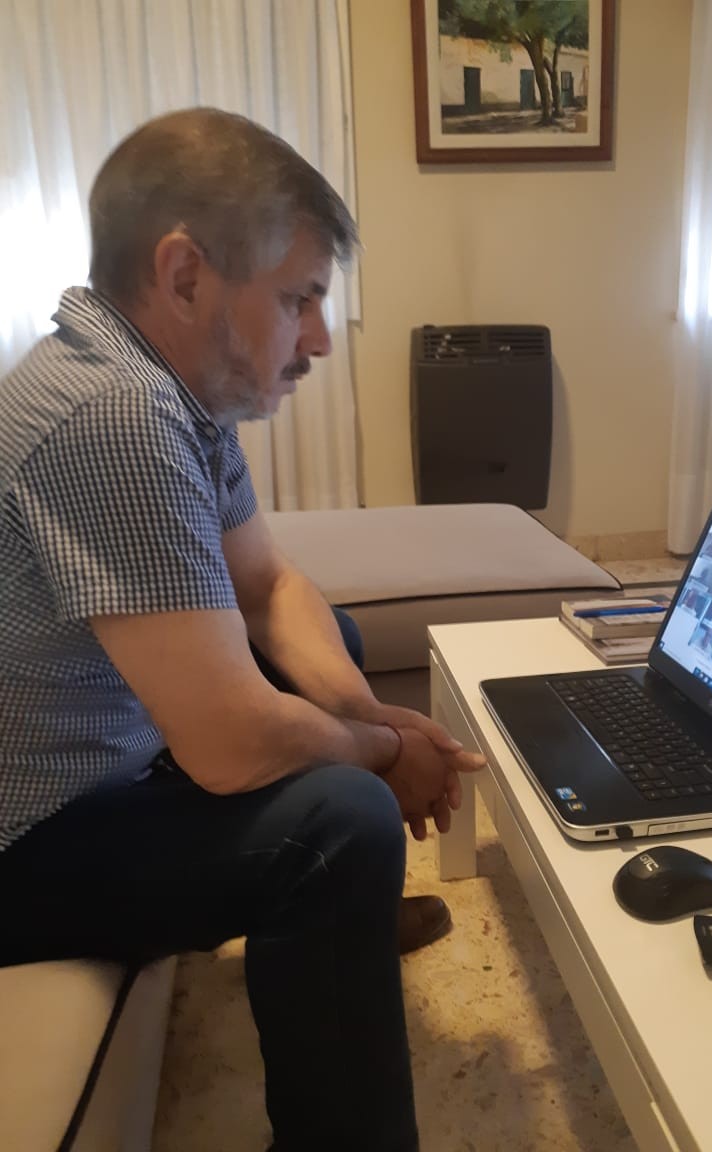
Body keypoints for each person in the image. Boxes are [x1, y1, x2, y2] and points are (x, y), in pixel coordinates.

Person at [0, 107, 485, 1152]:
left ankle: (334, 928)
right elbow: (225, 744)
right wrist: (382, 754)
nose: (318, 337)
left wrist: (373, 717)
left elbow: (267, 587)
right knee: (341, 823)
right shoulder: (114, 415)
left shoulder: (167, 387)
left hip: (107, 760)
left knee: (330, 648)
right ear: (185, 275)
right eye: (298, 298)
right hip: (24, 839)